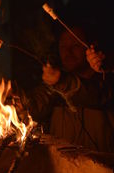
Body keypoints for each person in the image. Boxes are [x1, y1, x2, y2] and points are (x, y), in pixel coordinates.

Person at [14, 25, 114, 153]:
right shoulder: (56, 84)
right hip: (64, 167)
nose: (68, 52)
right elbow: (36, 104)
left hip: (102, 167)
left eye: (75, 46)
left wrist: (62, 82)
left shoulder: (106, 79)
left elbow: (95, 96)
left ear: (91, 48)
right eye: (63, 46)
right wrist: (19, 101)